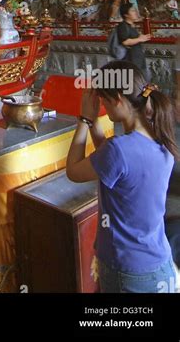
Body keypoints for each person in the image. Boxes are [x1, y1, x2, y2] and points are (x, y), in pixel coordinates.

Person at [66, 61, 178, 293]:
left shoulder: (118, 150)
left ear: (117, 100)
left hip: (128, 271)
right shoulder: (161, 137)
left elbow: (73, 171)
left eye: (104, 102)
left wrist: (84, 120)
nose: (103, 107)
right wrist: (95, 121)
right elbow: (110, 161)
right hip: (159, 264)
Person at [117, 1, 151, 76]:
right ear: (126, 14)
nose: (135, 12)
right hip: (130, 60)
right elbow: (125, 42)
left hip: (138, 59)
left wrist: (141, 37)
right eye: (132, 11)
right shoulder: (123, 26)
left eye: (135, 10)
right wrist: (140, 39)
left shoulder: (132, 26)